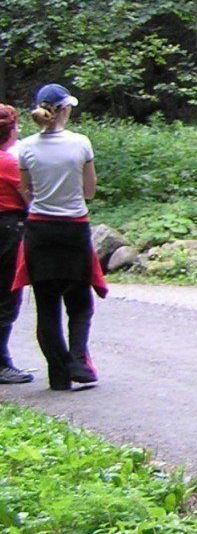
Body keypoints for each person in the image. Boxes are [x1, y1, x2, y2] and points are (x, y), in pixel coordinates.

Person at [14, 84, 100, 391]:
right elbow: (89, 192)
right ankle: (79, 361)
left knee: (47, 304)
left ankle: (58, 374)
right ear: (64, 110)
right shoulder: (81, 144)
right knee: (79, 303)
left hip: (39, 230)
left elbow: (26, 191)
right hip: (73, 228)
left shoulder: (25, 147)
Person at [0, 105, 32, 384]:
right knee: (6, 295)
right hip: (7, 229)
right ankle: (1, 363)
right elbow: (29, 199)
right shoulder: (10, 164)